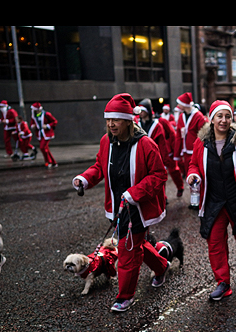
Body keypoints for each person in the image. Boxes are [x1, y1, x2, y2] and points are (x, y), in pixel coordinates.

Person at [72, 93, 169, 313]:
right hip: (117, 205)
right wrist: (84, 179)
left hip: (139, 208)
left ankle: (125, 296)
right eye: (108, 120)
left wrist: (135, 193)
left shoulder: (146, 144)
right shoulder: (106, 141)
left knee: (127, 251)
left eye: (115, 119)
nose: (110, 124)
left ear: (128, 120)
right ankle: (162, 266)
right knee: (136, 244)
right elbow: (99, 166)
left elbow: (159, 174)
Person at [186, 100, 236, 301]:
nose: (224, 120)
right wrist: (193, 175)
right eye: (219, 116)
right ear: (211, 119)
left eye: (227, 116)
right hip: (213, 200)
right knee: (215, 241)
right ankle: (223, 283)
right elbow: (194, 164)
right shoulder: (201, 143)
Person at [137, 98, 184, 197]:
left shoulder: (160, 123)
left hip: (163, 152)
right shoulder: (137, 124)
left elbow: (170, 135)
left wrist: (171, 152)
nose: (140, 113)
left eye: (143, 111)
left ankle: (180, 187)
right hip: (145, 156)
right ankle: (161, 197)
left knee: (172, 171)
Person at [174, 92, 208, 183]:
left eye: (179, 103)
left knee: (198, 175)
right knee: (190, 176)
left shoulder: (199, 116)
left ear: (184, 104)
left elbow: (203, 136)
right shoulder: (182, 116)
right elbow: (178, 136)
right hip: (186, 151)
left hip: (196, 150)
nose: (178, 105)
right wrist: (177, 154)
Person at [30, 102, 58, 168]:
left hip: (47, 134)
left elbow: (55, 121)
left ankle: (48, 162)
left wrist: (47, 125)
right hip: (40, 134)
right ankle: (53, 162)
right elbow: (32, 123)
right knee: (46, 149)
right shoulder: (34, 116)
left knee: (42, 147)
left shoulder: (46, 114)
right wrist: (33, 126)